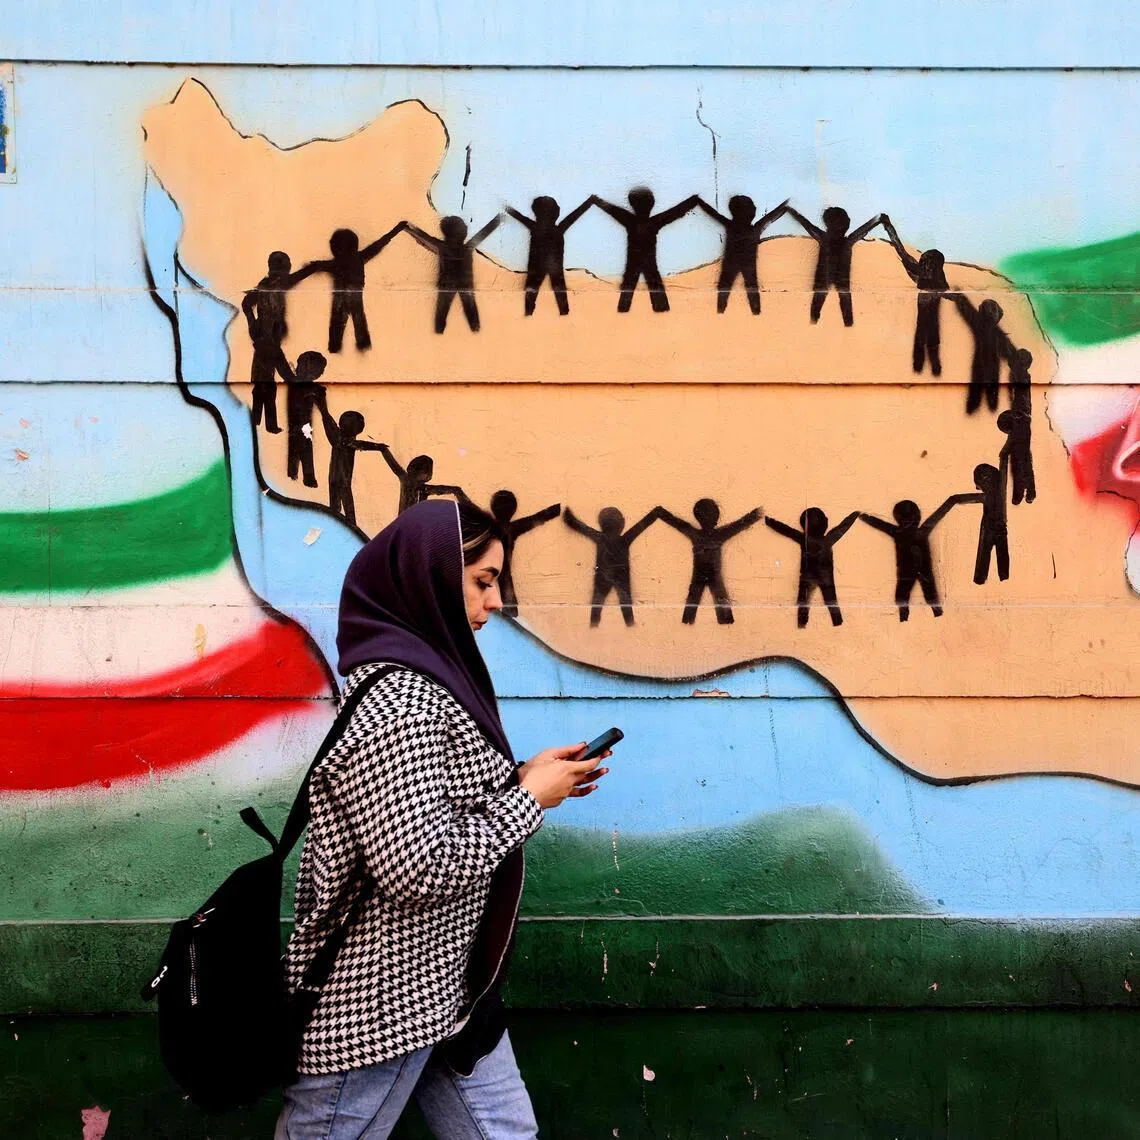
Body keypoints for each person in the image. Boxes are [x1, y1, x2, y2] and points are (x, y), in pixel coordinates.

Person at [276, 500, 610, 1140]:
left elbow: (431, 805)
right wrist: (527, 801)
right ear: (427, 576)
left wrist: (521, 777)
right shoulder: (401, 702)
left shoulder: (429, 684)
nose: (495, 602)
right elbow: (414, 868)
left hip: (448, 988)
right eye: (483, 581)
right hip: (379, 1004)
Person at [589, 187, 701, 312]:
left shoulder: (630, 220)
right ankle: (660, 311)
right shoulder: (654, 222)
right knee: (654, 288)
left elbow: (612, 210)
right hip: (648, 263)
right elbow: (675, 212)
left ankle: (624, 311)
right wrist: (692, 201)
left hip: (634, 263)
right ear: (651, 204)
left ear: (632, 204)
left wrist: (596, 200)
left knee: (629, 290)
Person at [785, 205, 884, 327]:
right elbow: (864, 228)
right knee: (844, 307)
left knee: (818, 308)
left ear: (828, 224)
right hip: (840, 281)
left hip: (824, 280)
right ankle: (842, 327)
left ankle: (813, 326)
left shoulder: (825, 238)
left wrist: (791, 211)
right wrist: (878, 219)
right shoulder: (847, 241)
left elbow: (806, 224)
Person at [406, 214, 505, 333]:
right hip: (465, 285)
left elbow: (424, 236)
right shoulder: (467, 247)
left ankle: (439, 332)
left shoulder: (443, 246)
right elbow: (483, 233)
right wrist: (498, 219)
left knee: (442, 314)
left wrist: (408, 227)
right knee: (471, 312)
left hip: (446, 286)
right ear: (461, 233)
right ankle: (475, 330)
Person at [696, 195, 789, 314]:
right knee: (751, 290)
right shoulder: (754, 228)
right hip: (747, 266)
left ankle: (720, 312)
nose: (755, 208)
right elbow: (773, 214)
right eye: (752, 207)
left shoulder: (731, 225)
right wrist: (787, 203)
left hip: (730, 265)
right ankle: (755, 314)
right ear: (748, 212)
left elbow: (712, 213)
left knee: (724, 289)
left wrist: (698, 201)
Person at [504, 196, 595, 316]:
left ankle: (529, 315)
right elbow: (574, 215)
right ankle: (563, 314)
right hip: (554, 268)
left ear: (536, 213)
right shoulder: (558, 229)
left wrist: (505, 207)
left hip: (537, 268)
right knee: (559, 293)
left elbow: (518, 216)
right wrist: (590, 202)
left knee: (532, 293)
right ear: (556, 214)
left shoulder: (536, 227)